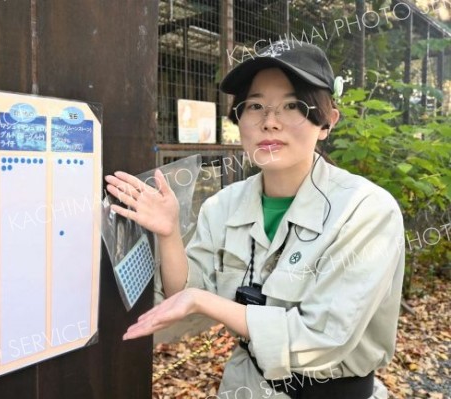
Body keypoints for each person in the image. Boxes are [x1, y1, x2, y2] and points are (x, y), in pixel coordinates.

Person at [105, 40, 405, 399]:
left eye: (292, 105)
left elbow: (323, 338)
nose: (270, 122)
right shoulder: (223, 205)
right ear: (239, 119)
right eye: (255, 106)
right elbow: (183, 297)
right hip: (244, 387)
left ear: (326, 122)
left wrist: (205, 302)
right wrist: (169, 234)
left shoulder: (365, 209)